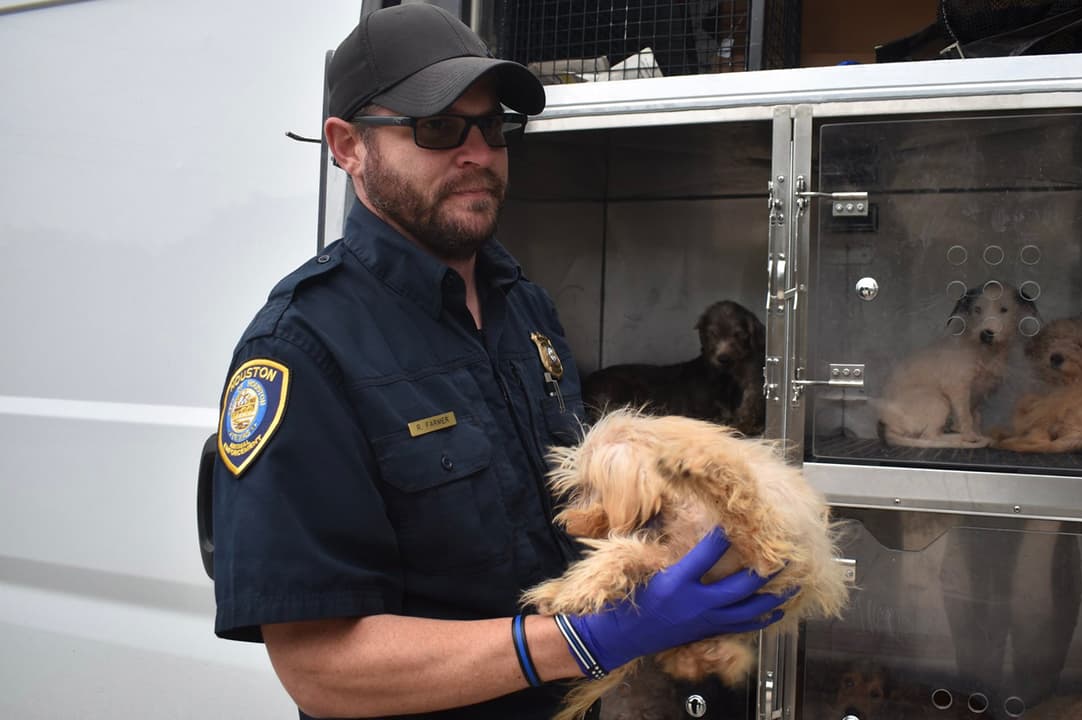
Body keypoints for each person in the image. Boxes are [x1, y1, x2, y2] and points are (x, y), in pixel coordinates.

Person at [210, 5, 790, 719]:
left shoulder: (526, 309)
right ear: (347, 145)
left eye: (493, 126)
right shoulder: (303, 350)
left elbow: (562, 520)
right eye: (438, 127)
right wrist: (590, 638)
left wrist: (686, 541)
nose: (478, 152)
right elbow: (322, 670)